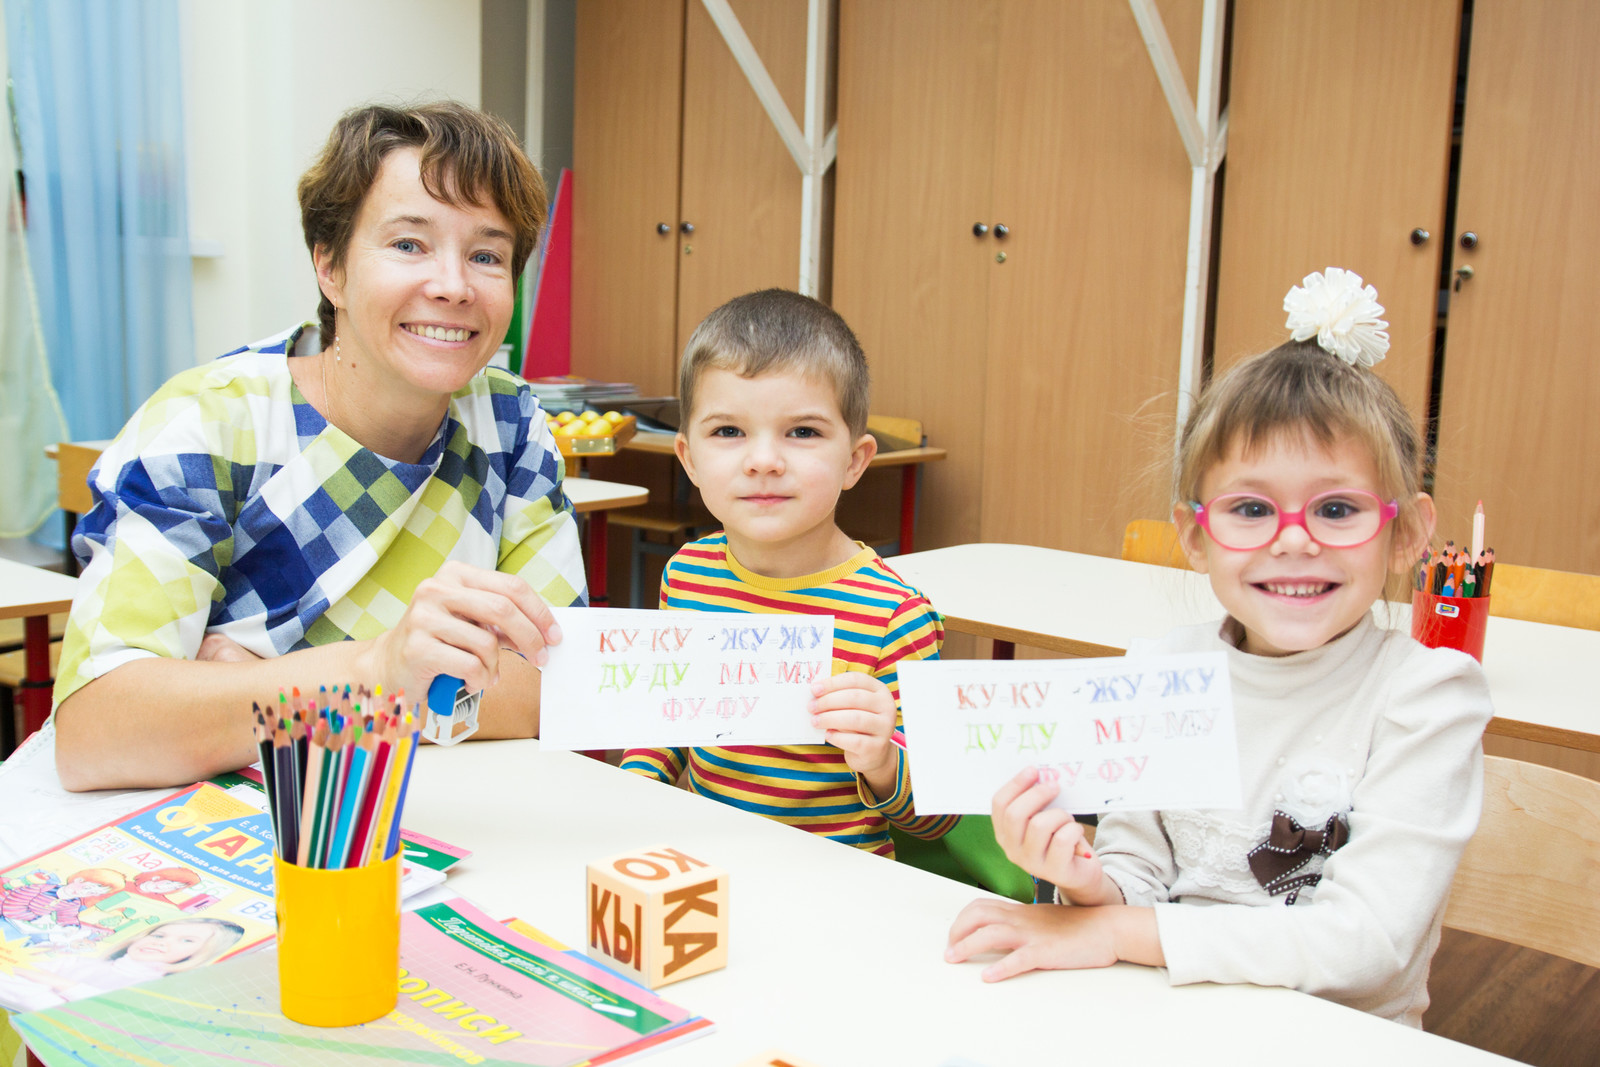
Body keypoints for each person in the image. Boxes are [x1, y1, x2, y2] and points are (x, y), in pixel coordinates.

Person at [945, 268, 1494, 1026]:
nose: (1293, 539)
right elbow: (1135, 874)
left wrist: (1119, 928)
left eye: (1337, 508)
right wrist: (1080, 878)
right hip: (1167, 1014)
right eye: (1250, 508)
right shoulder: (1163, 668)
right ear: (1197, 536)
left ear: (1405, 534)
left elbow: (1364, 942)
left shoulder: (1429, 694)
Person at [52, 102, 586, 791]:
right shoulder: (210, 423)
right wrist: (375, 671)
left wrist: (267, 689)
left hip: (434, 825)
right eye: (409, 245)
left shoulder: (509, 422)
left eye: (486, 255)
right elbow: (98, 730)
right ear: (329, 266)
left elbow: (564, 683)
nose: (453, 286)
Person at [619, 289, 956, 856]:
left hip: (833, 894)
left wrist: (881, 759)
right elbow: (671, 723)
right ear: (689, 460)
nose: (764, 460)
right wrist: (635, 781)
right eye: (729, 432)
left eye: (802, 432)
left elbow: (937, 821)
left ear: (854, 460)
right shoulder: (687, 574)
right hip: (707, 870)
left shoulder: (894, 617)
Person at [0, 918, 245, 1012]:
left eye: (186, 940)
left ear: (201, 953)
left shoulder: (156, 990)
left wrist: (58, 984)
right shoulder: (78, 961)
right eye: (159, 935)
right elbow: (18, 976)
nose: (161, 943)